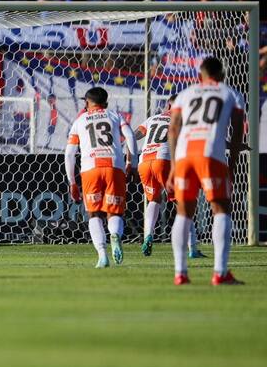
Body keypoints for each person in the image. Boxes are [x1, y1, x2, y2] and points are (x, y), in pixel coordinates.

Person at [168, 56, 245, 286]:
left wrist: (173, 166)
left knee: (183, 212)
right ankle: (220, 272)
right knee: (221, 208)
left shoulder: (184, 94)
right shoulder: (231, 93)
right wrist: (232, 165)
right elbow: (238, 132)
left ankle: (180, 273)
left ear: (200, 74)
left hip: (183, 155)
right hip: (211, 154)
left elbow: (173, 129)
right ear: (221, 74)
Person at [65, 87, 137, 268]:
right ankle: (115, 235)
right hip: (114, 167)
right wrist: (132, 163)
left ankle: (102, 256)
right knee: (114, 211)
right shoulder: (115, 116)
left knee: (93, 213)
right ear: (105, 103)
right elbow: (130, 136)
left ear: (87, 103)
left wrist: (72, 182)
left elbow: (69, 154)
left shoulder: (80, 120)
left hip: (90, 169)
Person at [135, 95, 205, 258]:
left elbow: (135, 134)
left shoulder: (152, 119)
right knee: (182, 203)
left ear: (168, 105)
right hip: (165, 161)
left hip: (144, 162)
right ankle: (192, 249)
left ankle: (148, 236)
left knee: (154, 200)